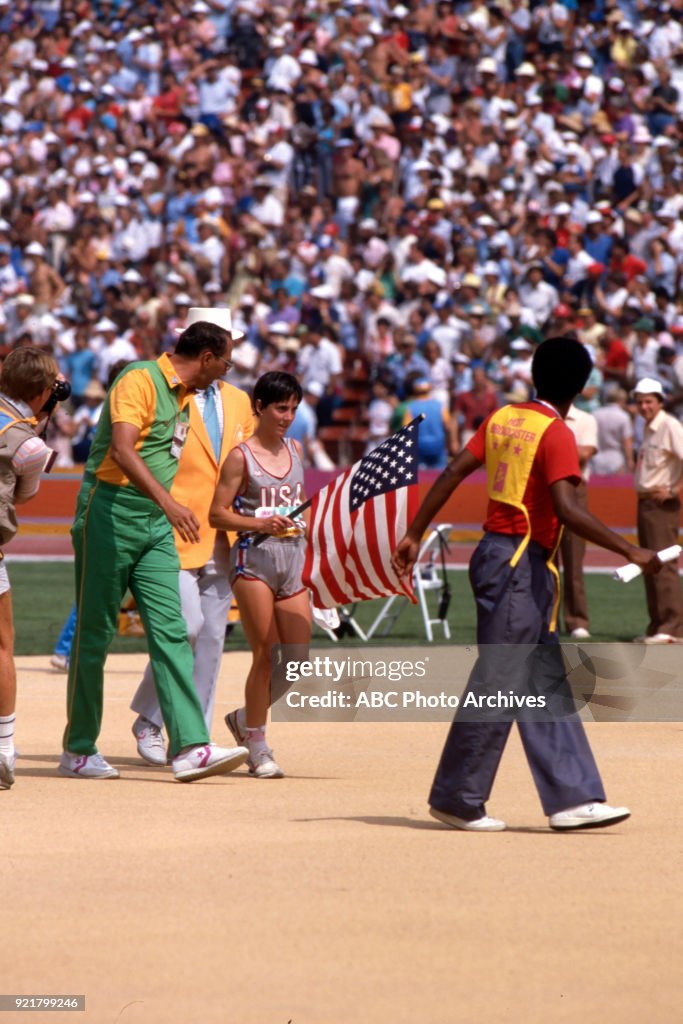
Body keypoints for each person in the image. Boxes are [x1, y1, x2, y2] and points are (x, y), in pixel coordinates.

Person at [392, 336, 661, 832]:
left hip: (504, 558)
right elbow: (568, 508)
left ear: (535, 375)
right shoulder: (557, 432)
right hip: (518, 564)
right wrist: (632, 551)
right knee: (500, 681)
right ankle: (458, 797)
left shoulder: (504, 417)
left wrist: (415, 531)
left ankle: (571, 797)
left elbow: (454, 471)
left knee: (540, 680)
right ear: (583, 386)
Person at [60, 320, 249, 782]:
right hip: (108, 515)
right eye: (226, 360)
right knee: (95, 635)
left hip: (157, 527)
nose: (227, 370)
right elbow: (123, 451)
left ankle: (189, 746)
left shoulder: (187, 398)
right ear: (206, 357)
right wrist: (169, 503)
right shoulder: (139, 379)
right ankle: (79, 748)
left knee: (176, 630)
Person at [129, 308, 255, 765]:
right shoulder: (165, 392)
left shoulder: (239, 401)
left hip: (224, 535)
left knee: (213, 639)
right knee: (185, 627)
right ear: (206, 349)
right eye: (226, 347)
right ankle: (149, 718)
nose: (230, 356)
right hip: (173, 529)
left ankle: (196, 737)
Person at [209, 371, 311, 779]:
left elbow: (298, 504)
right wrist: (258, 524)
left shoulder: (298, 450)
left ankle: (242, 718)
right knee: (267, 656)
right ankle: (258, 744)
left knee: (298, 663)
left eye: (293, 409)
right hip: (254, 562)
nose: (287, 416)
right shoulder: (241, 456)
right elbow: (217, 513)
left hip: (293, 559)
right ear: (260, 407)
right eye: (280, 408)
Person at [0, 348, 61, 788]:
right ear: (42, 393)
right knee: (3, 646)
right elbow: (23, 496)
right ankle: (3, 749)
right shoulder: (31, 446)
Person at [632, 377, 683, 643]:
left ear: (660, 402)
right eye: (640, 402)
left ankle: (672, 627)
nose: (644, 406)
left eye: (649, 401)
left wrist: (674, 490)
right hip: (646, 502)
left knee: (663, 564)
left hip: (662, 503)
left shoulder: (669, 425)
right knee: (649, 564)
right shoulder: (649, 428)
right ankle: (657, 625)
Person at [558, 402, 598, 640]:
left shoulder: (585, 419)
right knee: (544, 560)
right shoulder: (543, 417)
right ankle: (545, 618)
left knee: (574, 558)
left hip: (574, 487)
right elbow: (579, 452)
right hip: (546, 489)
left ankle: (577, 620)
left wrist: (552, 450)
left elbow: (585, 453)